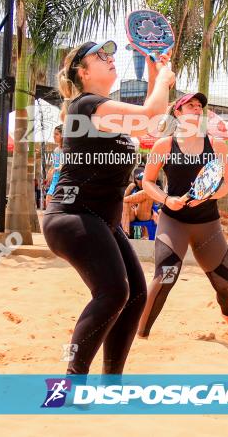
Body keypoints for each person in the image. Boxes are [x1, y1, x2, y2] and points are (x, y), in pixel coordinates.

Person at [42, 40, 174, 377]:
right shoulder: (86, 105)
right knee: (114, 292)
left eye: (111, 54)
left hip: (101, 220)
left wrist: (158, 74)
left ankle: (110, 383)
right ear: (83, 73)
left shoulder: (101, 109)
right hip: (73, 216)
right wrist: (161, 84)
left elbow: (150, 125)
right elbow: (150, 114)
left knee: (134, 296)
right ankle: (71, 382)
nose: (110, 58)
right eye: (100, 56)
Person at [137, 92, 228, 341]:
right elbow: (147, 181)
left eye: (200, 106)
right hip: (173, 221)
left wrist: (206, 197)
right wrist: (167, 199)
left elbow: (225, 185)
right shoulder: (164, 145)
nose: (197, 109)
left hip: (207, 225)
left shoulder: (217, 145)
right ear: (178, 113)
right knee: (166, 274)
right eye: (191, 106)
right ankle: (140, 335)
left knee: (227, 288)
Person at [121, 170, 157, 237]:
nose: (141, 182)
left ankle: (129, 200)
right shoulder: (132, 186)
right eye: (140, 179)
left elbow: (157, 203)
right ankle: (125, 233)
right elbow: (122, 199)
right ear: (136, 180)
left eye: (143, 179)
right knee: (125, 203)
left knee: (146, 192)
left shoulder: (150, 187)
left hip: (143, 213)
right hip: (131, 212)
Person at [44, 125, 63, 208]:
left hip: (63, 180)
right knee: (48, 201)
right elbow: (55, 163)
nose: (53, 136)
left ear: (63, 135)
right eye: (53, 134)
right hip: (55, 180)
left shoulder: (67, 149)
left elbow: (65, 164)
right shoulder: (56, 150)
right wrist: (50, 171)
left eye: (56, 134)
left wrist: (57, 168)